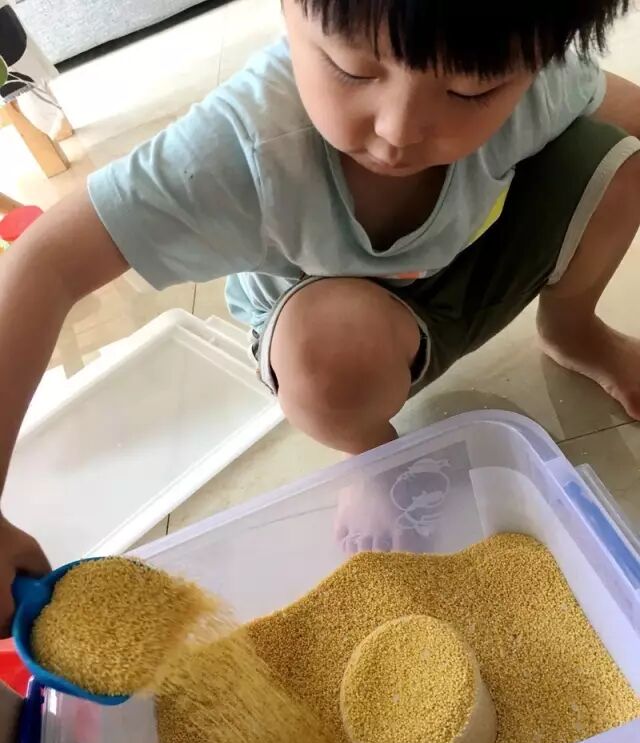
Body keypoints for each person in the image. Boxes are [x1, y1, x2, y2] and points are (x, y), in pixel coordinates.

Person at [0, 0, 639, 632]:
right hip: (334, 333)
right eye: (353, 70)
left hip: (465, 269)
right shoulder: (240, 148)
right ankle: (369, 454)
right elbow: (45, 262)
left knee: (625, 160)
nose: (398, 130)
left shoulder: (531, 70)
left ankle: (573, 328)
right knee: (327, 354)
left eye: (469, 92)